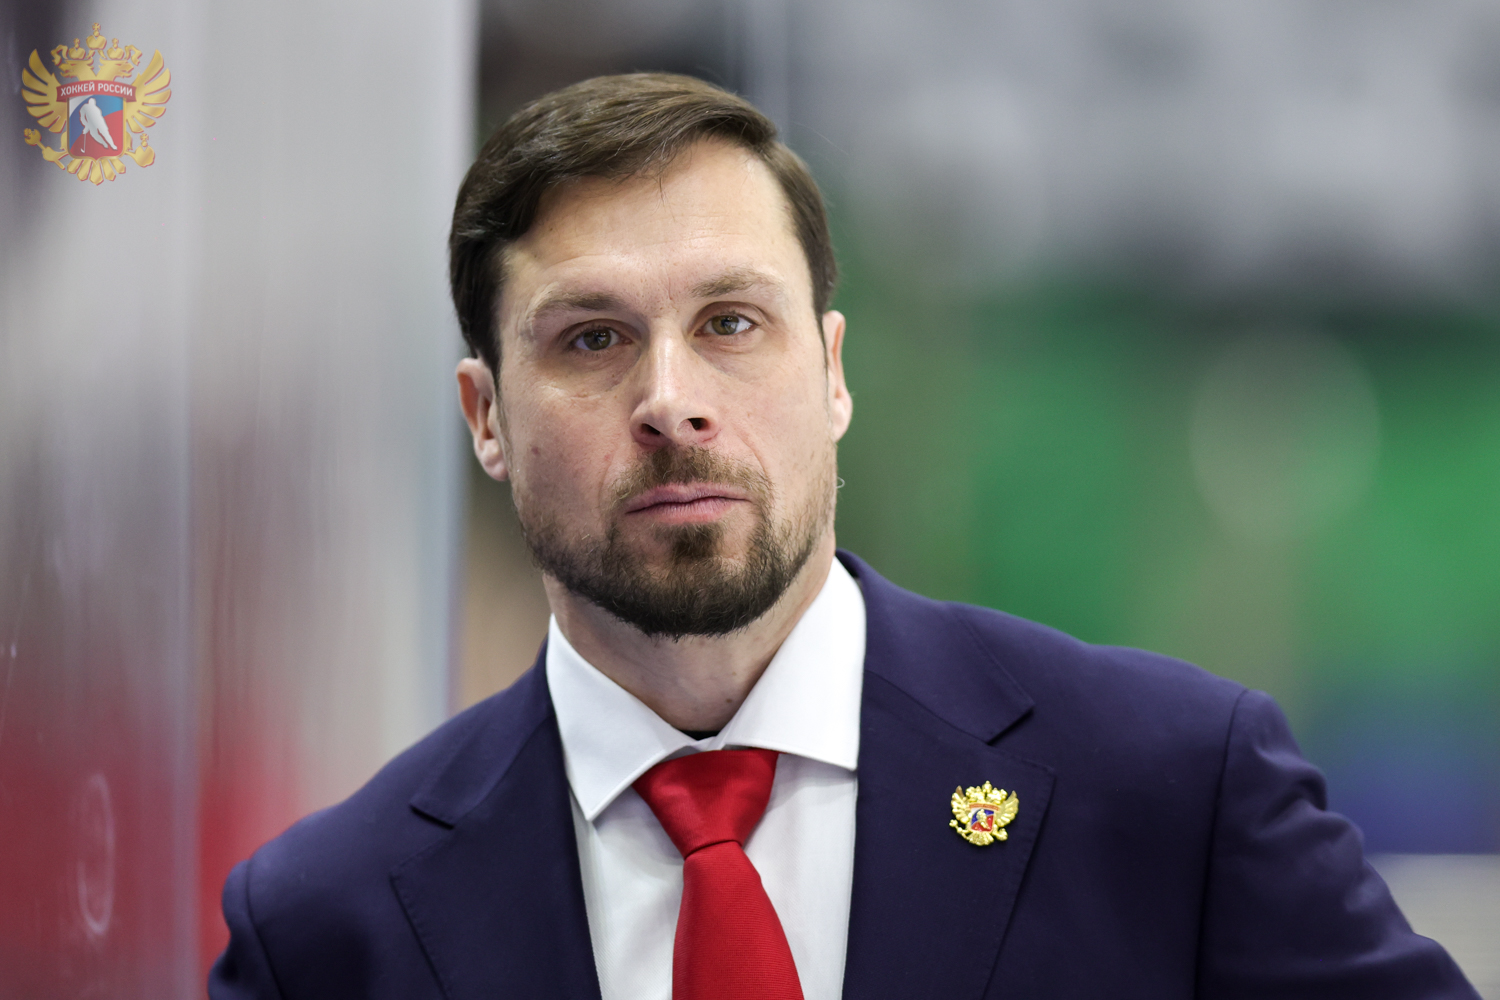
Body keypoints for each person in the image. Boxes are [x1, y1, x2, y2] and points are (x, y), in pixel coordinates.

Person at [209, 74, 1478, 1000]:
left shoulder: (1174, 793)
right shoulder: (328, 927)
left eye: (731, 323)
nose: (670, 399)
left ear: (831, 375)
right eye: (592, 339)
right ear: (486, 416)